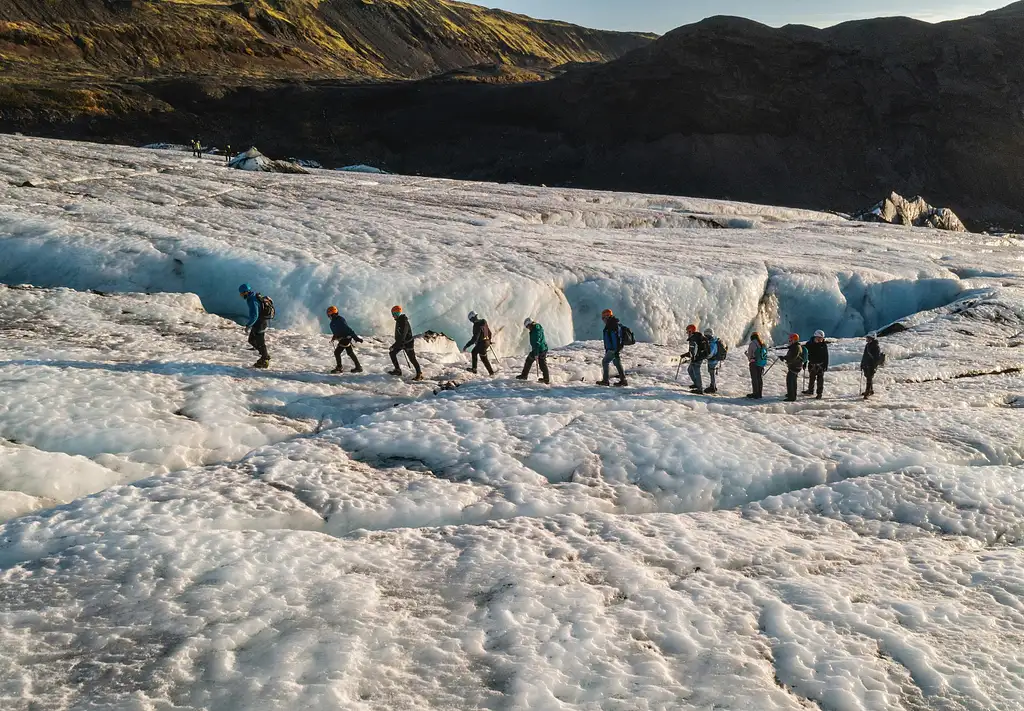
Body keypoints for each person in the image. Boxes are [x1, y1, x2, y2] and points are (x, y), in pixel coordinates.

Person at [239, 283, 270, 369]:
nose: (241, 295)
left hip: (260, 323)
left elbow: (254, 315)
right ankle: (265, 356)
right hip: (259, 322)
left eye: (241, 293)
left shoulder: (252, 300)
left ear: (245, 292)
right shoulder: (253, 297)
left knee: (260, 342)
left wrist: (248, 325)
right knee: (252, 340)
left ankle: (265, 358)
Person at [389, 305, 423, 381]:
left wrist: (394, 345)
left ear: (396, 314)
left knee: (412, 359)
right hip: (402, 343)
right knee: (392, 353)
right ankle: (397, 370)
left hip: (408, 343)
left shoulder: (403, 321)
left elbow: (402, 336)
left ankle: (419, 374)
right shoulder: (399, 320)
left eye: (393, 314)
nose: (392, 316)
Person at [327, 306, 363, 374]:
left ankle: (339, 368)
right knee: (350, 353)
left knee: (337, 353)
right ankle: (358, 367)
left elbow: (348, 329)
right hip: (345, 338)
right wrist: (334, 337)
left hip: (345, 339)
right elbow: (338, 331)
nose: (328, 315)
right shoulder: (336, 321)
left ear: (331, 313)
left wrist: (356, 338)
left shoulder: (339, 320)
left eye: (329, 313)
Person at [598, 309, 627, 387]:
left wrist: (615, 350)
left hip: (613, 349)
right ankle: (623, 380)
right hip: (615, 348)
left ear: (607, 316)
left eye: (603, 317)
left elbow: (614, 338)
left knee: (605, 362)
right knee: (617, 363)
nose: (603, 320)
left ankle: (605, 380)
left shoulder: (611, 325)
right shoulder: (614, 324)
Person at [518, 318, 550, 384]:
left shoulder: (536, 330)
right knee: (534, 361)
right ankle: (524, 375)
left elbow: (537, 343)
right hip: (540, 348)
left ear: (530, 324)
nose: (528, 328)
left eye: (527, 326)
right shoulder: (536, 328)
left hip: (540, 349)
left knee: (540, 363)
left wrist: (536, 354)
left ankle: (546, 379)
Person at [682, 324, 709, 393]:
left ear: (691, 330)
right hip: (698, 357)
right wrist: (687, 355)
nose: (687, 333)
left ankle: (700, 389)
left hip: (697, 358)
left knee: (696, 372)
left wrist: (687, 355)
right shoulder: (696, 337)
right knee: (690, 370)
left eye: (688, 331)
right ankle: (696, 384)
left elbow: (693, 351)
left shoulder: (694, 338)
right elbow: (693, 350)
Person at [803, 330, 829, 399]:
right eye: (819, 338)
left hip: (820, 365)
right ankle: (810, 390)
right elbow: (806, 354)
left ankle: (819, 393)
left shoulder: (823, 345)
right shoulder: (809, 344)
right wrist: (804, 363)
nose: (821, 340)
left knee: (820, 380)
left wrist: (825, 365)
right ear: (815, 337)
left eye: (822, 338)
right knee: (811, 378)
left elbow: (826, 356)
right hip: (812, 364)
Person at [780, 333, 805, 401]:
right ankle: (792, 394)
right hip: (796, 366)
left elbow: (793, 357)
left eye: (790, 340)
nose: (789, 341)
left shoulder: (795, 347)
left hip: (794, 366)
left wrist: (785, 358)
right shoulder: (796, 346)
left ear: (794, 340)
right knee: (793, 380)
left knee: (790, 381)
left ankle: (792, 397)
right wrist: (785, 358)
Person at [746, 332, 768, 399]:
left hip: (754, 363)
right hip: (761, 363)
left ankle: (755, 394)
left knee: (754, 378)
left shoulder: (752, 344)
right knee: (759, 378)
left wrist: (749, 357)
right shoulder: (762, 344)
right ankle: (759, 394)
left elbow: (750, 355)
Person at [861, 332, 883, 398]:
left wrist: (873, 365)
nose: (866, 339)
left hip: (871, 365)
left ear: (872, 338)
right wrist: (862, 363)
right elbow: (865, 355)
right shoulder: (868, 345)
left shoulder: (875, 346)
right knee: (868, 377)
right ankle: (871, 390)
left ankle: (867, 392)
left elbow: (876, 358)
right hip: (867, 364)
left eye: (868, 338)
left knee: (869, 378)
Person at [704, 327, 724, 394]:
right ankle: (713, 386)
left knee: (712, 374)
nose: (705, 337)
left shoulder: (712, 343)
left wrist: (705, 357)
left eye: (706, 335)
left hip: (712, 361)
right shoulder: (714, 341)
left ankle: (712, 387)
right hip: (715, 360)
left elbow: (710, 353)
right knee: (712, 374)